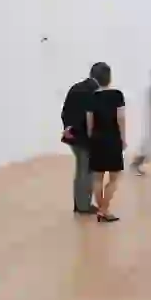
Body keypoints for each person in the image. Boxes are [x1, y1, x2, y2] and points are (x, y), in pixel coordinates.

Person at [60, 63, 104, 214]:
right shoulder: (95, 92)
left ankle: (79, 204)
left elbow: (64, 112)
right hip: (85, 138)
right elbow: (93, 118)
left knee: (81, 170)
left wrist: (67, 128)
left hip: (72, 136)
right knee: (87, 171)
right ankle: (84, 206)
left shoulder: (75, 88)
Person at [86, 62, 126, 223]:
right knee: (114, 178)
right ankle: (103, 210)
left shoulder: (91, 97)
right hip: (113, 139)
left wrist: (91, 137)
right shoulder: (117, 95)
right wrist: (123, 138)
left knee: (97, 179)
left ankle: (101, 210)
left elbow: (90, 121)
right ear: (109, 77)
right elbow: (121, 118)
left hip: (96, 139)